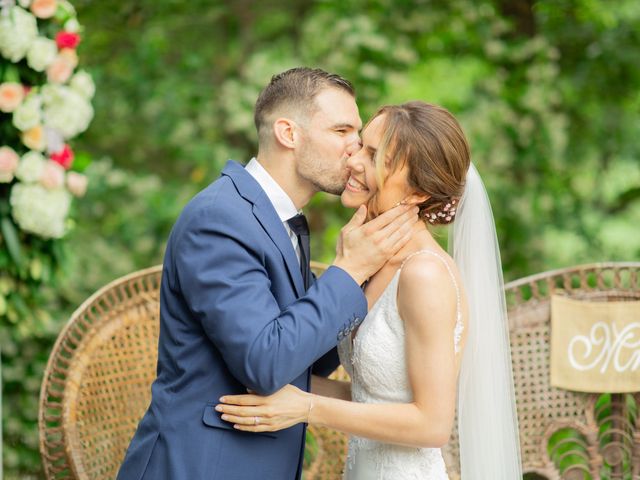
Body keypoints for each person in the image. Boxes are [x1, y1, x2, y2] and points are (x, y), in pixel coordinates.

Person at [116, 68, 419, 480]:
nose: (356, 149)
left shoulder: (283, 221)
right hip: (200, 466)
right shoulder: (220, 219)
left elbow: (305, 355)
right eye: (342, 130)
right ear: (288, 133)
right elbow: (265, 363)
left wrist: (369, 275)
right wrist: (349, 271)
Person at [217, 101, 523, 479]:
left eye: (375, 156)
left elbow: (432, 425)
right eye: (362, 145)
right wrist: (259, 378)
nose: (354, 161)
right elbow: (370, 397)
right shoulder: (371, 262)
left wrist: (307, 406)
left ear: (417, 193)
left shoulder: (424, 274)